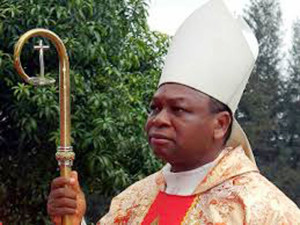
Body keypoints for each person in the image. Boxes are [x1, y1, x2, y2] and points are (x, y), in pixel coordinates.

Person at [47, 0, 300, 224]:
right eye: (155, 108)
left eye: (178, 109)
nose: (158, 120)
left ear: (220, 124)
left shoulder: (265, 211)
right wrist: (73, 221)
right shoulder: (132, 200)